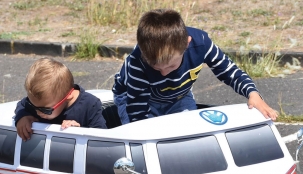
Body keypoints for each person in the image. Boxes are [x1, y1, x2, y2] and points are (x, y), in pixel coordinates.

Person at [112, 9, 278, 124]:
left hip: (179, 97)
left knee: (191, 135)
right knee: (140, 139)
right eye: (156, 68)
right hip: (134, 98)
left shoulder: (201, 44)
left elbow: (229, 72)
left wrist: (253, 94)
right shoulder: (137, 61)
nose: (163, 73)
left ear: (187, 44)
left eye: (171, 66)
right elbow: (137, 115)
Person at [14, 58, 106, 140]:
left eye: (46, 110)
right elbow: (22, 105)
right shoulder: (40, 103)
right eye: (32, 106)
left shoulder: (90, 105)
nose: (37, 112)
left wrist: (79, 131)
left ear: (68, 95)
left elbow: (101, 137)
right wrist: (22, 117)